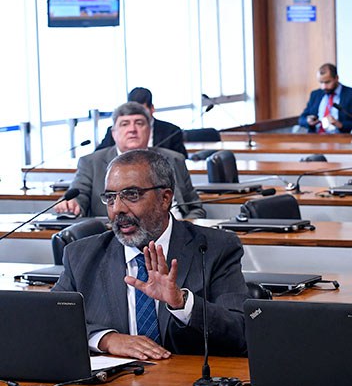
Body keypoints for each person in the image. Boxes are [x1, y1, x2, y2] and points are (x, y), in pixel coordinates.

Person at [53, 149, 248, 360]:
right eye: (110, 198)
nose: (117, 208)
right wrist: (105, 339)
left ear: (165, 198)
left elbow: (240, 333)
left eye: (131, 195)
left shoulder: (215, 248)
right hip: (115, 380)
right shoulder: (81, 255)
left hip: (188, 379)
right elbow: (50, 319)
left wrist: (183, 303)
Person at [55, 102, 205, 218]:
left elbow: (195, 208)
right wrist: (72, 204)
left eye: (139, 123)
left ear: (149, 131)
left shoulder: (174, 159)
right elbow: (78, 195)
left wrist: (185, 230)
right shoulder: (91, 163)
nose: (132, 129)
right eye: (125, 124)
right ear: (113, 133)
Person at [96, 87, 188, 158]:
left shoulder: (172, 131)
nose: (132, 129)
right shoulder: (116, 130)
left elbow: (180, 159)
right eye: (132, 109)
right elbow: (99, 157)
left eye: (139, 123)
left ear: (152, 109)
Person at [298, 63, 352, 133]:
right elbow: (301, 119)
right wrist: (308, 121)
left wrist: (341, 125)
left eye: (327, 82)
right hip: (316, 137)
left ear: (336, 78)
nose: (323, 87)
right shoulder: (315, 94)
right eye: (321, 82)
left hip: (340, 137)